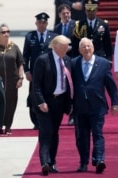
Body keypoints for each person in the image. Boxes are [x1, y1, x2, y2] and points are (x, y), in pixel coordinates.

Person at [71, 37, 118, 173]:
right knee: (82, 136)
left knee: (98, 134)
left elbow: (111, 86)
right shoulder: (74, 63)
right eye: (84, 47)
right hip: (80, 107)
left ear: (93, 48)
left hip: (97, 106)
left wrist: (114, 102)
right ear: (79, 50)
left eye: (89, 46)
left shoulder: (103, 63)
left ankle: (99, 160)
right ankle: (83, 162)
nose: (86, 49)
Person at [32, 35, 73, 175]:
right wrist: (41, 101)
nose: (67, 48)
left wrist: (69, 103)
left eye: (68, 46)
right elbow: (36, 84)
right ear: (55, 46)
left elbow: (69, 83)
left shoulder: (67, 60)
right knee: (46, 132)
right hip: (45, 102)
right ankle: (44, 162)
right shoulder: (43, 60)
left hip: (60, 102)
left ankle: (52, 162)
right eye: (64, 46)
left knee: (54, 132)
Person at [0, 23, 24, 134]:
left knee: (10, 103)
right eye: (3, 32)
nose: (6, 34)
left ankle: (8, 126)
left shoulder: (14, 47)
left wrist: (20, 78)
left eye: (8, 31)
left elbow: (21, 63)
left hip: (12, 82)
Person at [23, 12, 57, 130]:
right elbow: (25, 56)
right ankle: (36, 121)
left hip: (49, 73)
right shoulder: (29, 37)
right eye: (39, 22)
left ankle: (49, 119)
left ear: (47, 23)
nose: (42, 25)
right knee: (33, 96)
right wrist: (26, 71)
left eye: (44, 22)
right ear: (36, 23)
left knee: (48, 94)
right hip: (34, 73)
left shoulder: (53, 37)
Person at [54, 4, 76, 125]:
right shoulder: (57, 28)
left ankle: (72, 115)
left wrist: (69, 47)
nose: (66, 15)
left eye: (68, 13)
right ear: (59, 15)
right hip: (60, 60)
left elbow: (79, 42)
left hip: (72, 59)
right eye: (64, 14)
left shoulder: (76, 25)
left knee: (72, 87)